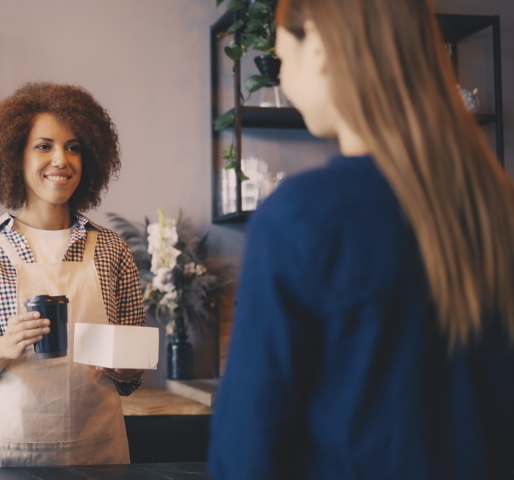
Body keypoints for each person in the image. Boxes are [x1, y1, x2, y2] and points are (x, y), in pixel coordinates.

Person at [208, 0, 514, 478]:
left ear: (322, 47)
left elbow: (248, 447)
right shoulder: (497, 202)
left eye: (282, 58)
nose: (282, 78)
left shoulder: (302, 219)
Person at [0, 82, 145, 468]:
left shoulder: (112, 250)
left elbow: (130, 376)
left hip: (97, 454)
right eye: (44, 146)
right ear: (15, 156)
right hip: (5, 457)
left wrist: (125, 363)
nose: (61, 159)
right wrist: (3, 347)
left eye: (73, 147)